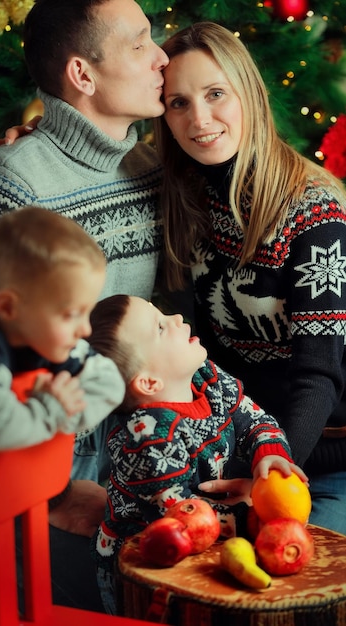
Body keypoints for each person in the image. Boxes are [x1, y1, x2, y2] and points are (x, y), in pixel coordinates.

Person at [0, 0, 168, 612]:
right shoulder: (10, 188)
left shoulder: (151, 167)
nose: (162, 59)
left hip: (148, 451)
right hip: (42, 476)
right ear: (83, 75)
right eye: (141, 43)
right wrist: (59, 488)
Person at [153, 22, 346, 535]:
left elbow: (318, 375)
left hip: (323, 449)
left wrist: (272, 464)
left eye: (216, 94)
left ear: (250, 95)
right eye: (178, 102)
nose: (200, 119)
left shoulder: (315, 211)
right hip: (242, 443)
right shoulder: (190, 195)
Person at [86, 294, 307, 613]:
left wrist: (269, 453)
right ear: (149, 381)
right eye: (160, 327)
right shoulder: (147, 437)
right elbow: (182, 517)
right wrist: (252, 513)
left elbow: (253, 418)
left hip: (206, 541)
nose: (176, 318)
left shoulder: (206, 378)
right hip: (147, 562)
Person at [0, 205, 125, 449]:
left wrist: (62, 413)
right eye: (72, 315)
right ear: (9, 308)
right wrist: (50, 409)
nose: (85, 330)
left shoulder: (41, 337)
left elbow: (111, 385)